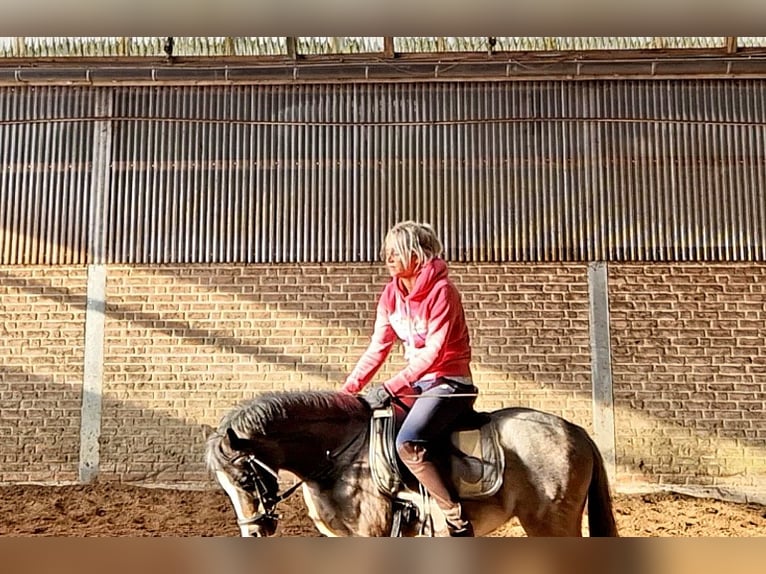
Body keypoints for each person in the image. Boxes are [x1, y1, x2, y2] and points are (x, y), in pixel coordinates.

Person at [341, 220, 478, 537]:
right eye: (387, 252)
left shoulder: (443, 292)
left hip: (450, 383)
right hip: (417, 385)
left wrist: (390, 387)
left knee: (408, 442)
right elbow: (377, 348)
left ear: (419, 255)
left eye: (397, 252)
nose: (389, 258)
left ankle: (455, 517)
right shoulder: (390, 295)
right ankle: (407, 503)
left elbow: (434, 352)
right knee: (373, 431)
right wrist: (348, 392)